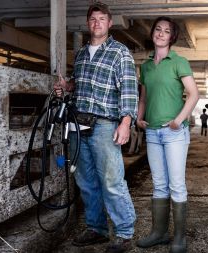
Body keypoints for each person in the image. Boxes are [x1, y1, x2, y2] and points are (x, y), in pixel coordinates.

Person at [54, 2, 138, 253]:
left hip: (104, 125)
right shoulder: (80, 54)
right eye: (93, 19)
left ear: (110, 23)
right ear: (88, 23)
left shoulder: (120, 52)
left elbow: (129, 90)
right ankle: (97, 228)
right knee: (86, 180)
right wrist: (68, 86)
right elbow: (81, 84)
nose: (97, 23)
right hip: (79, 124)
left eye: (102, 19)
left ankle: (124, 233)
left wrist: (126, 122)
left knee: (112, 181)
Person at [136, 16, 199, 253]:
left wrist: (179, 120)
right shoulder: (146, 66)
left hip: (174, 133)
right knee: (159, 185)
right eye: (158, 29)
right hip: (152, 133)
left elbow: (193, 94)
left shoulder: (179, 62)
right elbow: (144, 97)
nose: (161, 33)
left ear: (172, 37)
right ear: (153, 33)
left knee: (177, 185)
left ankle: (179, 238)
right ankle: (159, 233)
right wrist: (139, 118)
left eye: (166, 31)